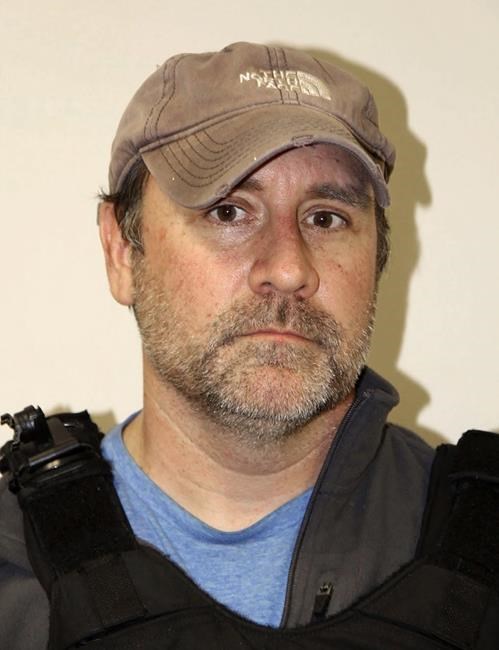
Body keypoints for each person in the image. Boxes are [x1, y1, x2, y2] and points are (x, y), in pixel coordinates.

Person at [1, 41, 496, 650]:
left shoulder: (485, 552)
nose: (288, 269)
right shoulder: (12, 564)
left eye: (325, 218)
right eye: (229, 211)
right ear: (122, 250)